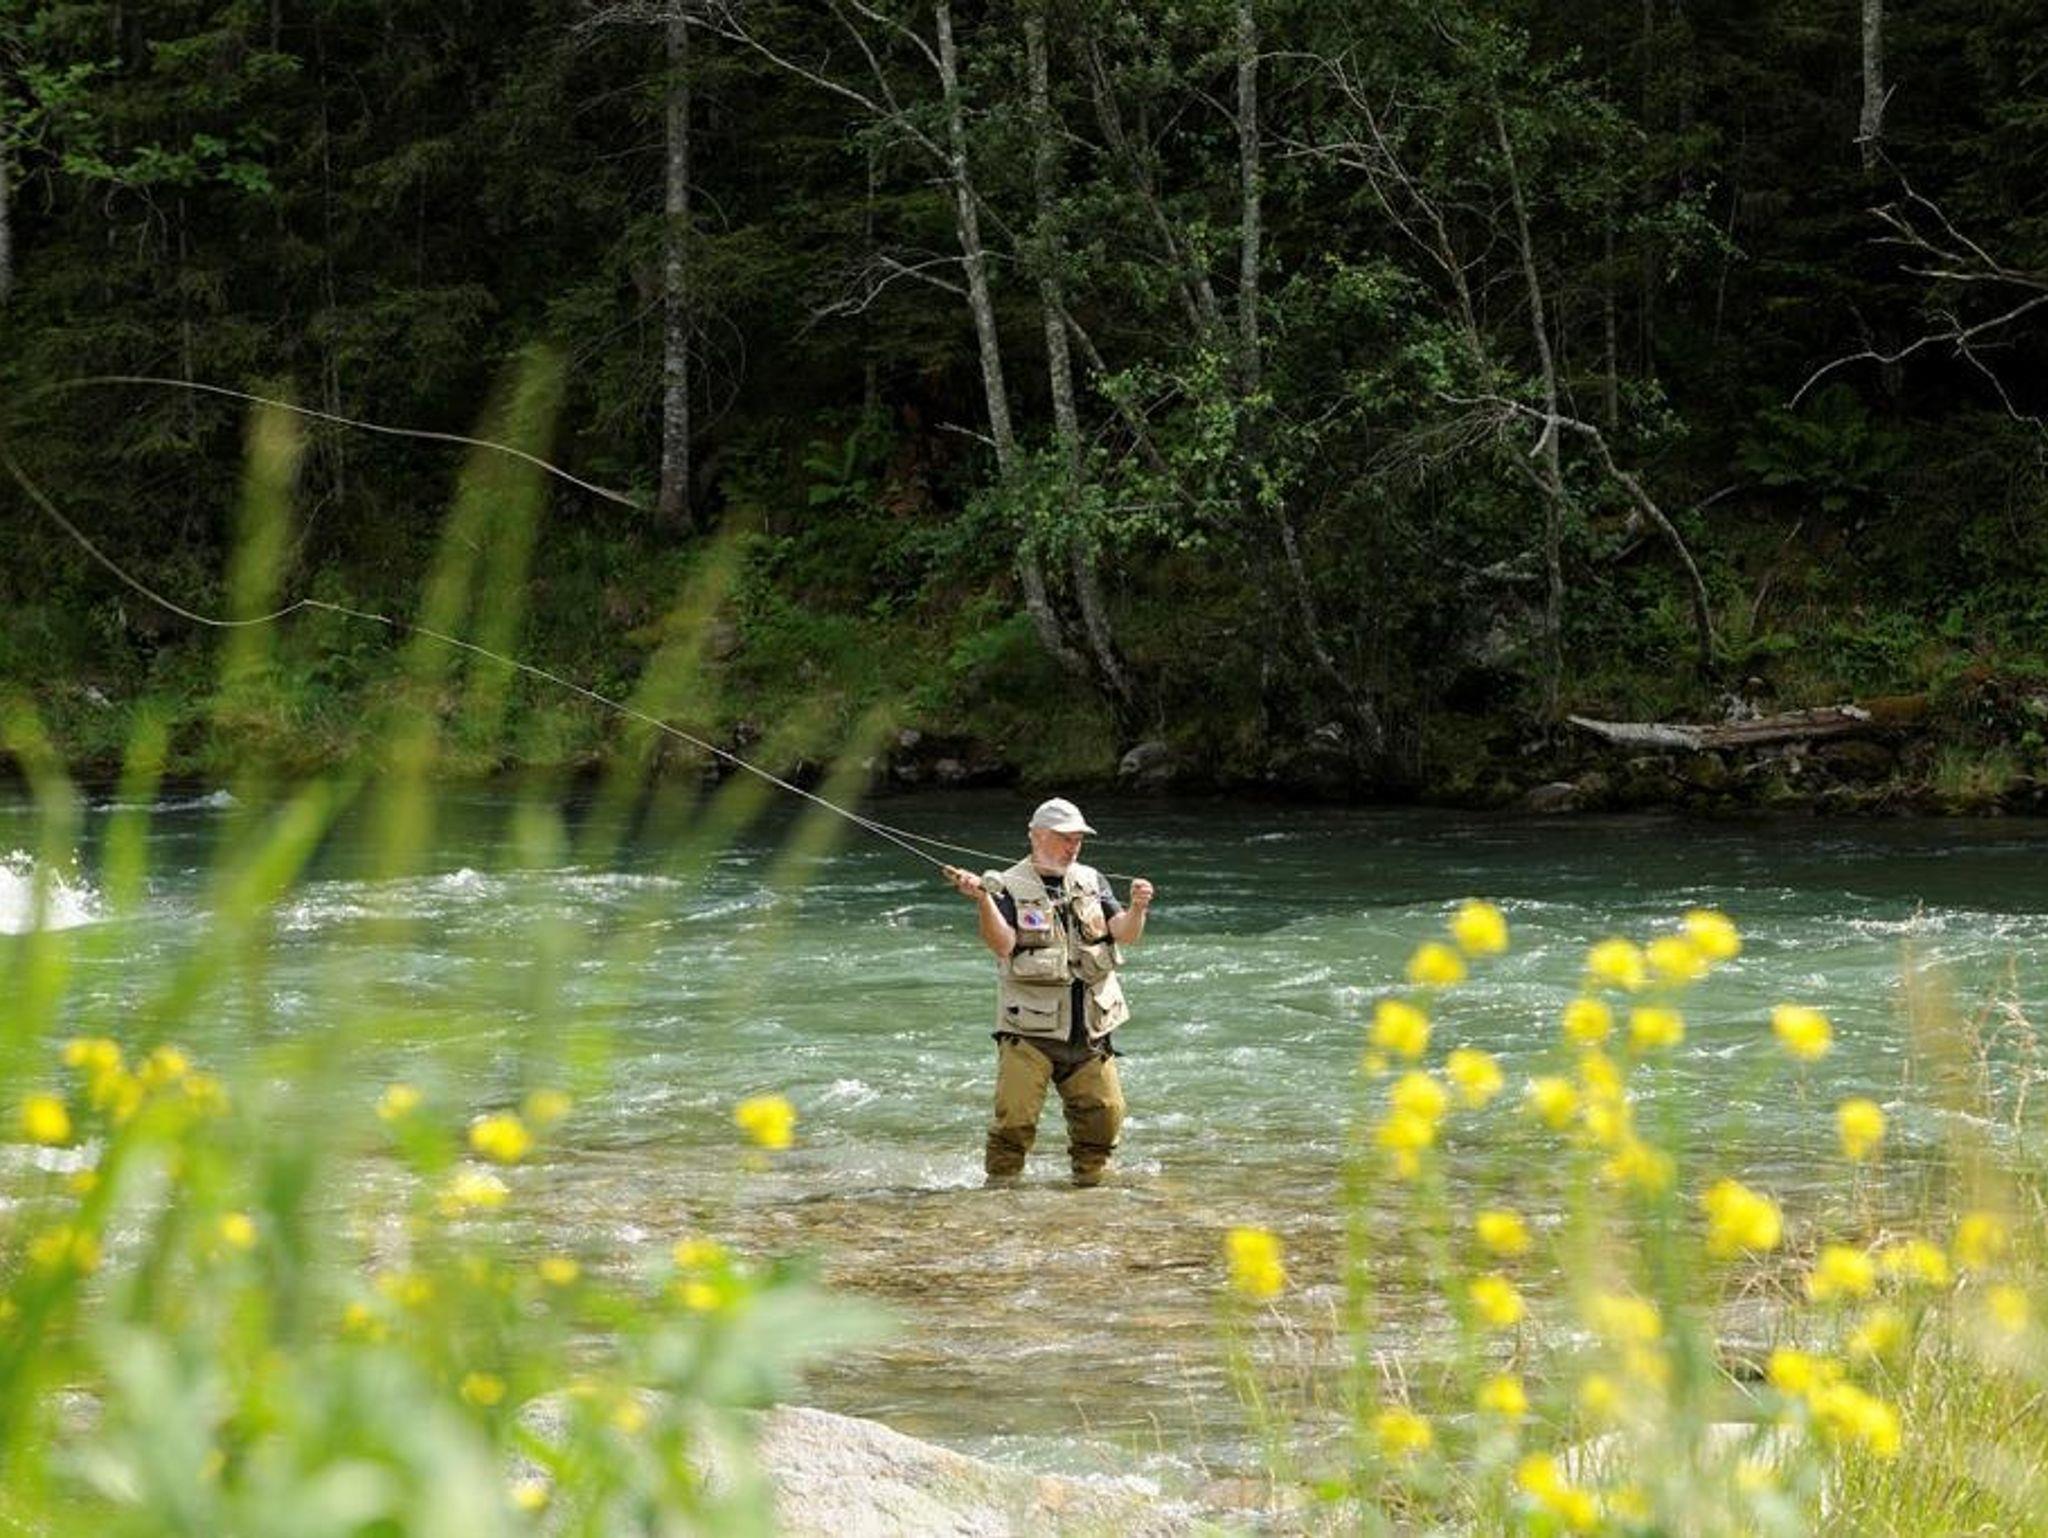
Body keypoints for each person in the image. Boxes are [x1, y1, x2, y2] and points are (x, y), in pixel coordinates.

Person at [944, 798, 1154, 1186]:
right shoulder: (1007, 884)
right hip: (1029, 1032)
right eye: (1064, 838)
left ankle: (1091, 1194)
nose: (1073, 847)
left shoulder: (1092, 880)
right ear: (1037, 836)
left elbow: (1123, 933)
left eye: (1078, 839)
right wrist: (984, 900)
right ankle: (1001, 1194)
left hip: (1089, 1030)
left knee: (1104, 1120)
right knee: (1014, 1125)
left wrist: (1138, 908)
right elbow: (1002, 945)